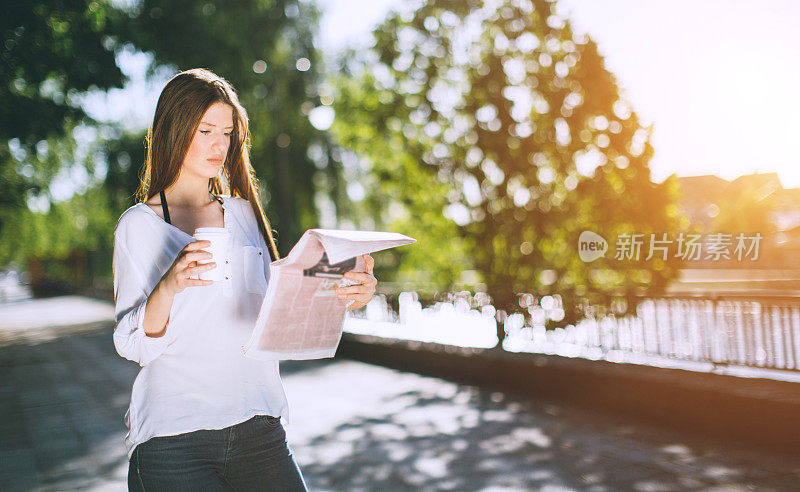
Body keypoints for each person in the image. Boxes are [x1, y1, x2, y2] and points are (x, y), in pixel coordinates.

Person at [112, 68, 377, 491]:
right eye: (206, 130)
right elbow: (132, 345)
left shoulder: (241, 214)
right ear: (175, 130)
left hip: (258, 427)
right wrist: (170, 283)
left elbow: (275, 310)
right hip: (174, 440)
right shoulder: (139, 227)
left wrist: (344, 288)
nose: (219, 144)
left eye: (228, 133)